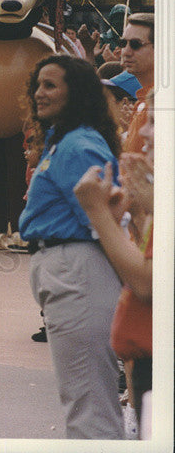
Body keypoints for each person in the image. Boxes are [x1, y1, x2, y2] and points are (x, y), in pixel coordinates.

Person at [18, 55, 124, 439]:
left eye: (50, 85)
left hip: (79, 272)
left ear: (74, 94)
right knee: (86, 400)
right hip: (67, 271)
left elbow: (105, 219)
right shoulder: (65, 140)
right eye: (37, 84)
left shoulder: (78, 145)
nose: (39, 93)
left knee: (89, 407)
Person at [74, 92, 154, 438]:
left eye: (155, 122)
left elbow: (148, 282)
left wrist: (99, 215)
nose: (144, 132)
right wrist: (135, 218)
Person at [116, 13, 154, 154]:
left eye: (135, 44)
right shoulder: (141, 103)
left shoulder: (161, 104)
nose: (125, 51)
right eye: (123, 43)